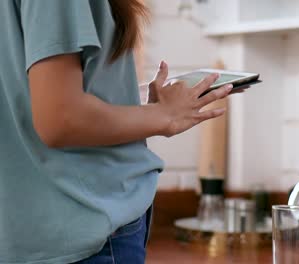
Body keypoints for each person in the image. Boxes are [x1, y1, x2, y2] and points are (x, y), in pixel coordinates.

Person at [0, 1, 233, 263]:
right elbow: (62, 118)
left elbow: (23, 96)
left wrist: (142, 102)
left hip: (28, 233)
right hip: (86, 225)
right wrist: (163, 115)